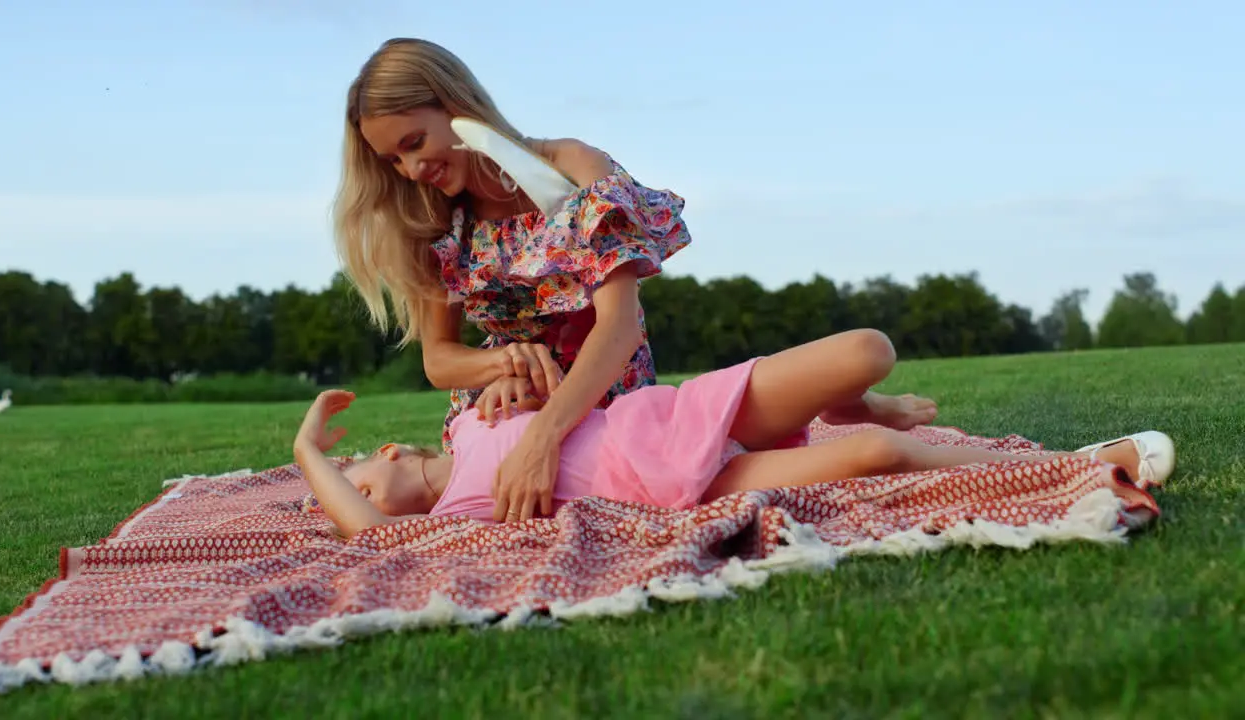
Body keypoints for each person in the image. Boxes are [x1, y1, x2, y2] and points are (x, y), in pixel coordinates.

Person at [293, 330, 1176, 538]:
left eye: (358, 467)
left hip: (677, 416)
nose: (371, 475)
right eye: (359, 486)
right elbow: (369, 539)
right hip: (684, 489)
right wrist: (305, 453)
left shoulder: (474, 418)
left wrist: (517, 382)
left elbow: (566, 382)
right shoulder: (467, 508)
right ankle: (1084, 467)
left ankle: (858, 400)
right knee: (873, 459)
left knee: (868, 349)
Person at [333, 36, 696, 524]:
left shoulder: (573, 167)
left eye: (414, 142)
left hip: (603, 402)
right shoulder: (440, 222)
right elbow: (439, 360)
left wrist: (543, 438)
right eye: (393, 161)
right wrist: (504, 363)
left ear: (455, 103)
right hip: (500, 412)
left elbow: (621, 326)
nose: (413, 170)